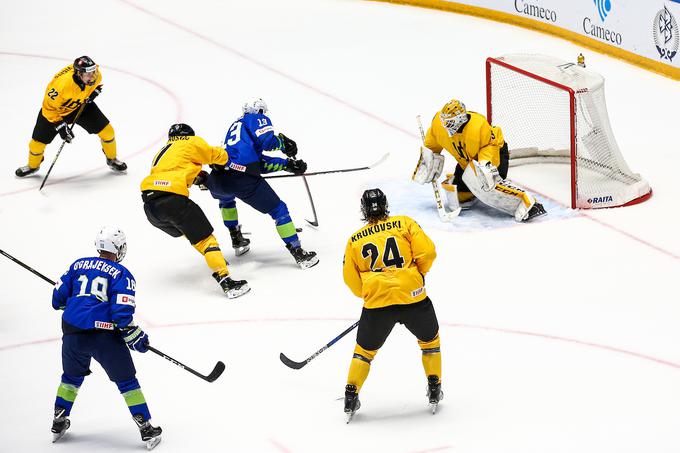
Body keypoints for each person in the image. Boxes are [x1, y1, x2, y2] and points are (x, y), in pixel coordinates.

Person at [50, 227, 162, 450]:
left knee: (70, 379)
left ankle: (58, 419)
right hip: (103, 337)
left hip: (72, 334)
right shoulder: (121, 273)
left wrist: (75, 303)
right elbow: (121, 313)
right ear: (118, 248)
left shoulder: (77, 265)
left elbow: (57, 300)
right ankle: (145, 426)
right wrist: (135, 336)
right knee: (127, 381)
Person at [341, 188, 442, 423]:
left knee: (364, 353)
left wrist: (369, 293)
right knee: (430, 343)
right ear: (385, 205)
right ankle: (435, 386)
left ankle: (350, 395)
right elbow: (428, 252)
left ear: (364, 209)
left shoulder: (354, 240)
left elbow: (350, 278)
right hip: (413, 297)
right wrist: (418, 274)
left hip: (377, 305)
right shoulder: (405, 223)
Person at [202, 98, 318, 269]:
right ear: (260, 111)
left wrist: (287, 165)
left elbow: (255, 164)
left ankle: (236, 237)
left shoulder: (236, 128)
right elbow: (267, 142)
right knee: (279, 210)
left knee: (226, 200)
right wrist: (282, 143)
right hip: (242, 180)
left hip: (218, 179)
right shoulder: (256, 119)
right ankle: (298, 253)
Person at [140, 123, 250, 299]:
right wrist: (232, 162)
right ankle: (226, 280)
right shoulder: (190, 142)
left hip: (150, 207)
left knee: (194, 236)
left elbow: (174, 171)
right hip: (172, 200)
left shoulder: (164, 151)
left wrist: (197, 178)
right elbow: (217, 155)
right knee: (206, 240)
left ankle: (214, 258)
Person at [412, 99, 546, 222]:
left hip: (495, 152)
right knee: (459, 194)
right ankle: (471, 192)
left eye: (451, 123)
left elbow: (490, 145)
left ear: (461, 119)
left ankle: (530, 204)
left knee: (489, 186)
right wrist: (428, 160)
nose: (446, 126)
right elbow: (432, 144)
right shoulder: (439, 125)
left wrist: (484, 165)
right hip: (466, 160)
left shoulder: (479, 125)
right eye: (445, 121)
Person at [15, 55, 126, 177]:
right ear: (78, 73)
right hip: (55, 112)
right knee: (36, 144)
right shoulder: (61, 85)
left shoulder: (96, 75)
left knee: (108, 131)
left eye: (93, 72)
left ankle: (112, 159)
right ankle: (33, 166)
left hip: (79, 107)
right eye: (88, 74)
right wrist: (60, 125)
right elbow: (48, 108)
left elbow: (95, 85)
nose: (93, 76)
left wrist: (94, 92)